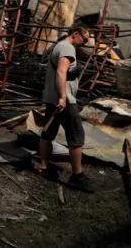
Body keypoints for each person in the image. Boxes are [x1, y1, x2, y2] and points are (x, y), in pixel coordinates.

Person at [39, 23, 92, 191]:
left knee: (47, 133)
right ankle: (77, 175)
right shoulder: (67, 49)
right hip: (64, 101)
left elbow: (62, 72)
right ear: (75, 34)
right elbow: (61, 72)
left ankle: (44, 168)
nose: (86, 42)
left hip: (52, 99)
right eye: (85, 39)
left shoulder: (60, 46)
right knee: (76, 137)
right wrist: (63, 97)